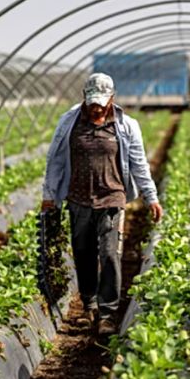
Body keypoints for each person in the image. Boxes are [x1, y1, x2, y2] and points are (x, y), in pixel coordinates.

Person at [41, 73, 163, 336]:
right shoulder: (69, 122)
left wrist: (150, 196)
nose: (96, 107)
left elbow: (139, 163)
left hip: (112, 197)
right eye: (91, 102)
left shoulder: (126, 125)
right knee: (83, 252)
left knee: (109, 255)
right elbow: (56, 161)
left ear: (111, 99)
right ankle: (89, 305)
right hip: (78, 198)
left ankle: (107, 314)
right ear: (84, 98)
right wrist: (49, 195)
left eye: (101, 102)